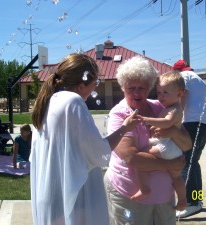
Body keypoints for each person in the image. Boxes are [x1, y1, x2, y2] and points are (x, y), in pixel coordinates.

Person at [30, 53, 141, 225]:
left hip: (52, 194)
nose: (95, 88)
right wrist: (125, 127)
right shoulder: (72, 102)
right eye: (95, 83)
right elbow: (99, 153)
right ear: (82, 85)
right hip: (75, 197)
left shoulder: (49, 101)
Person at [103, 55, 192, 225]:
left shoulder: (160, 107)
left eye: (142, 88)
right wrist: (169, 165)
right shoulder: (119, 115)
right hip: (131, 194)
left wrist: (172, 131)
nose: (136, 93)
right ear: (122, 88)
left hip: (164, 194)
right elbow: (131, 158)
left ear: (150, 87)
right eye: (131, 88)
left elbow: (187, 145)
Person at [130, 71, 187, 211]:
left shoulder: (174, 109)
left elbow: (167, 122)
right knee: (176, 177)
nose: (161, 96)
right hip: (170, 146)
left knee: (140, 159)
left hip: (166, 146)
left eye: (165, 93)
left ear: (179, 94)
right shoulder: (170, 106)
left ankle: (144, 188)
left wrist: (147, 119)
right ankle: (183, 200)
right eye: (159, 92)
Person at [173, 59, 206, 218]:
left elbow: (183, 95)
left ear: (177, 71)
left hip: (191, 123)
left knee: (186, 161)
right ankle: (196, 200)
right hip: (204, 124)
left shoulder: (184, 77)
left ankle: (190, 202)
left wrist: (176, 118)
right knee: (193, 161)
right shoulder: (200, 80)